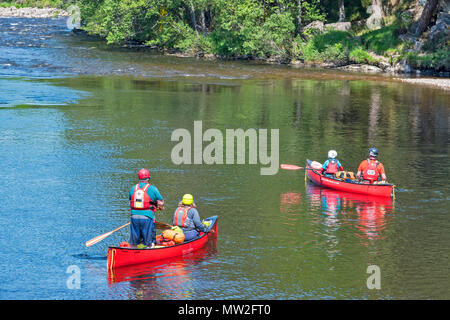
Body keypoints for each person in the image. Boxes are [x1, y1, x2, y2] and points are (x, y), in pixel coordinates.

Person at [129, 168, 164, 248]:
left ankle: (133, 253)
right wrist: (160, 207)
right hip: (147, 217)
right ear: (148, 178)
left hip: (134, 217)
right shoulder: (152, 188)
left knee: (134, 242)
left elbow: (130, 203)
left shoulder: (133, 188)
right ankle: (149, 252)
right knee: (149, 241)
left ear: (139, 178)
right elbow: (160, 202)